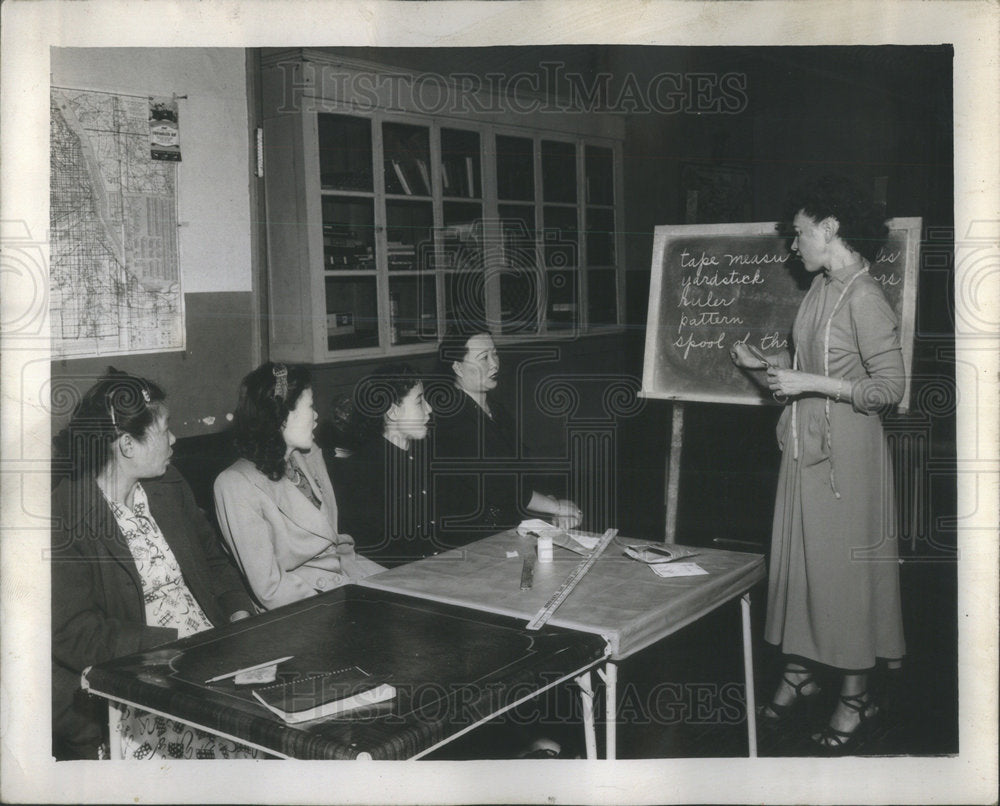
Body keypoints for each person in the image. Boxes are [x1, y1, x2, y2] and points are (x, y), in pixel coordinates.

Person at [730, 174, 905, 753]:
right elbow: (808, 361)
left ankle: (856, 694)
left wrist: (809, 381)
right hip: (806, 450)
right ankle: (802, 673)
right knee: (804, 566)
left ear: (830, 228)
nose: (793, 244)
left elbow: (889, 389)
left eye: (801, 232)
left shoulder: (866, 297)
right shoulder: (822, 289)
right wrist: (766, 363)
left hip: (848, 461)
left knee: (845, 578)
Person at [51, 369, 256, 760]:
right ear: (127, 444)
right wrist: (171, 644)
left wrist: (239, 610)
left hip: (215, 656)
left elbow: (213, 560)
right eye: (165, 429)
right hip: (145, 686)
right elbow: (74, 633)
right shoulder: (66, 516)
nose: (174, 439)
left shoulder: (167, 484)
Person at [213, 362, 383, 610]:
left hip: (346, 582)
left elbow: (338, 547)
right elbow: (271, 589)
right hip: (304, 606)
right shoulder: (235, 484)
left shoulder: (308, 455)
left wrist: (391, 582)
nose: (316, 416)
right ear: (281, 417)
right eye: (311, 406)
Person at [431, 327, 582, 548]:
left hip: (509, 522)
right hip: (473, 536)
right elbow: (500, 486)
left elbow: (524, 464)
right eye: (483, 358)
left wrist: (551, 500)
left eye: (495, 353)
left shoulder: (496, 408)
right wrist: (556, 508)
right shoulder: (451, 419)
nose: (494, 364)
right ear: (458, 367)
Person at [328, 364, 437, 567]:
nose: (429, 409)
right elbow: (374, 553)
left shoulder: (427, 455)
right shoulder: (361, 471)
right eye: (420, 401)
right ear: (393, 412)